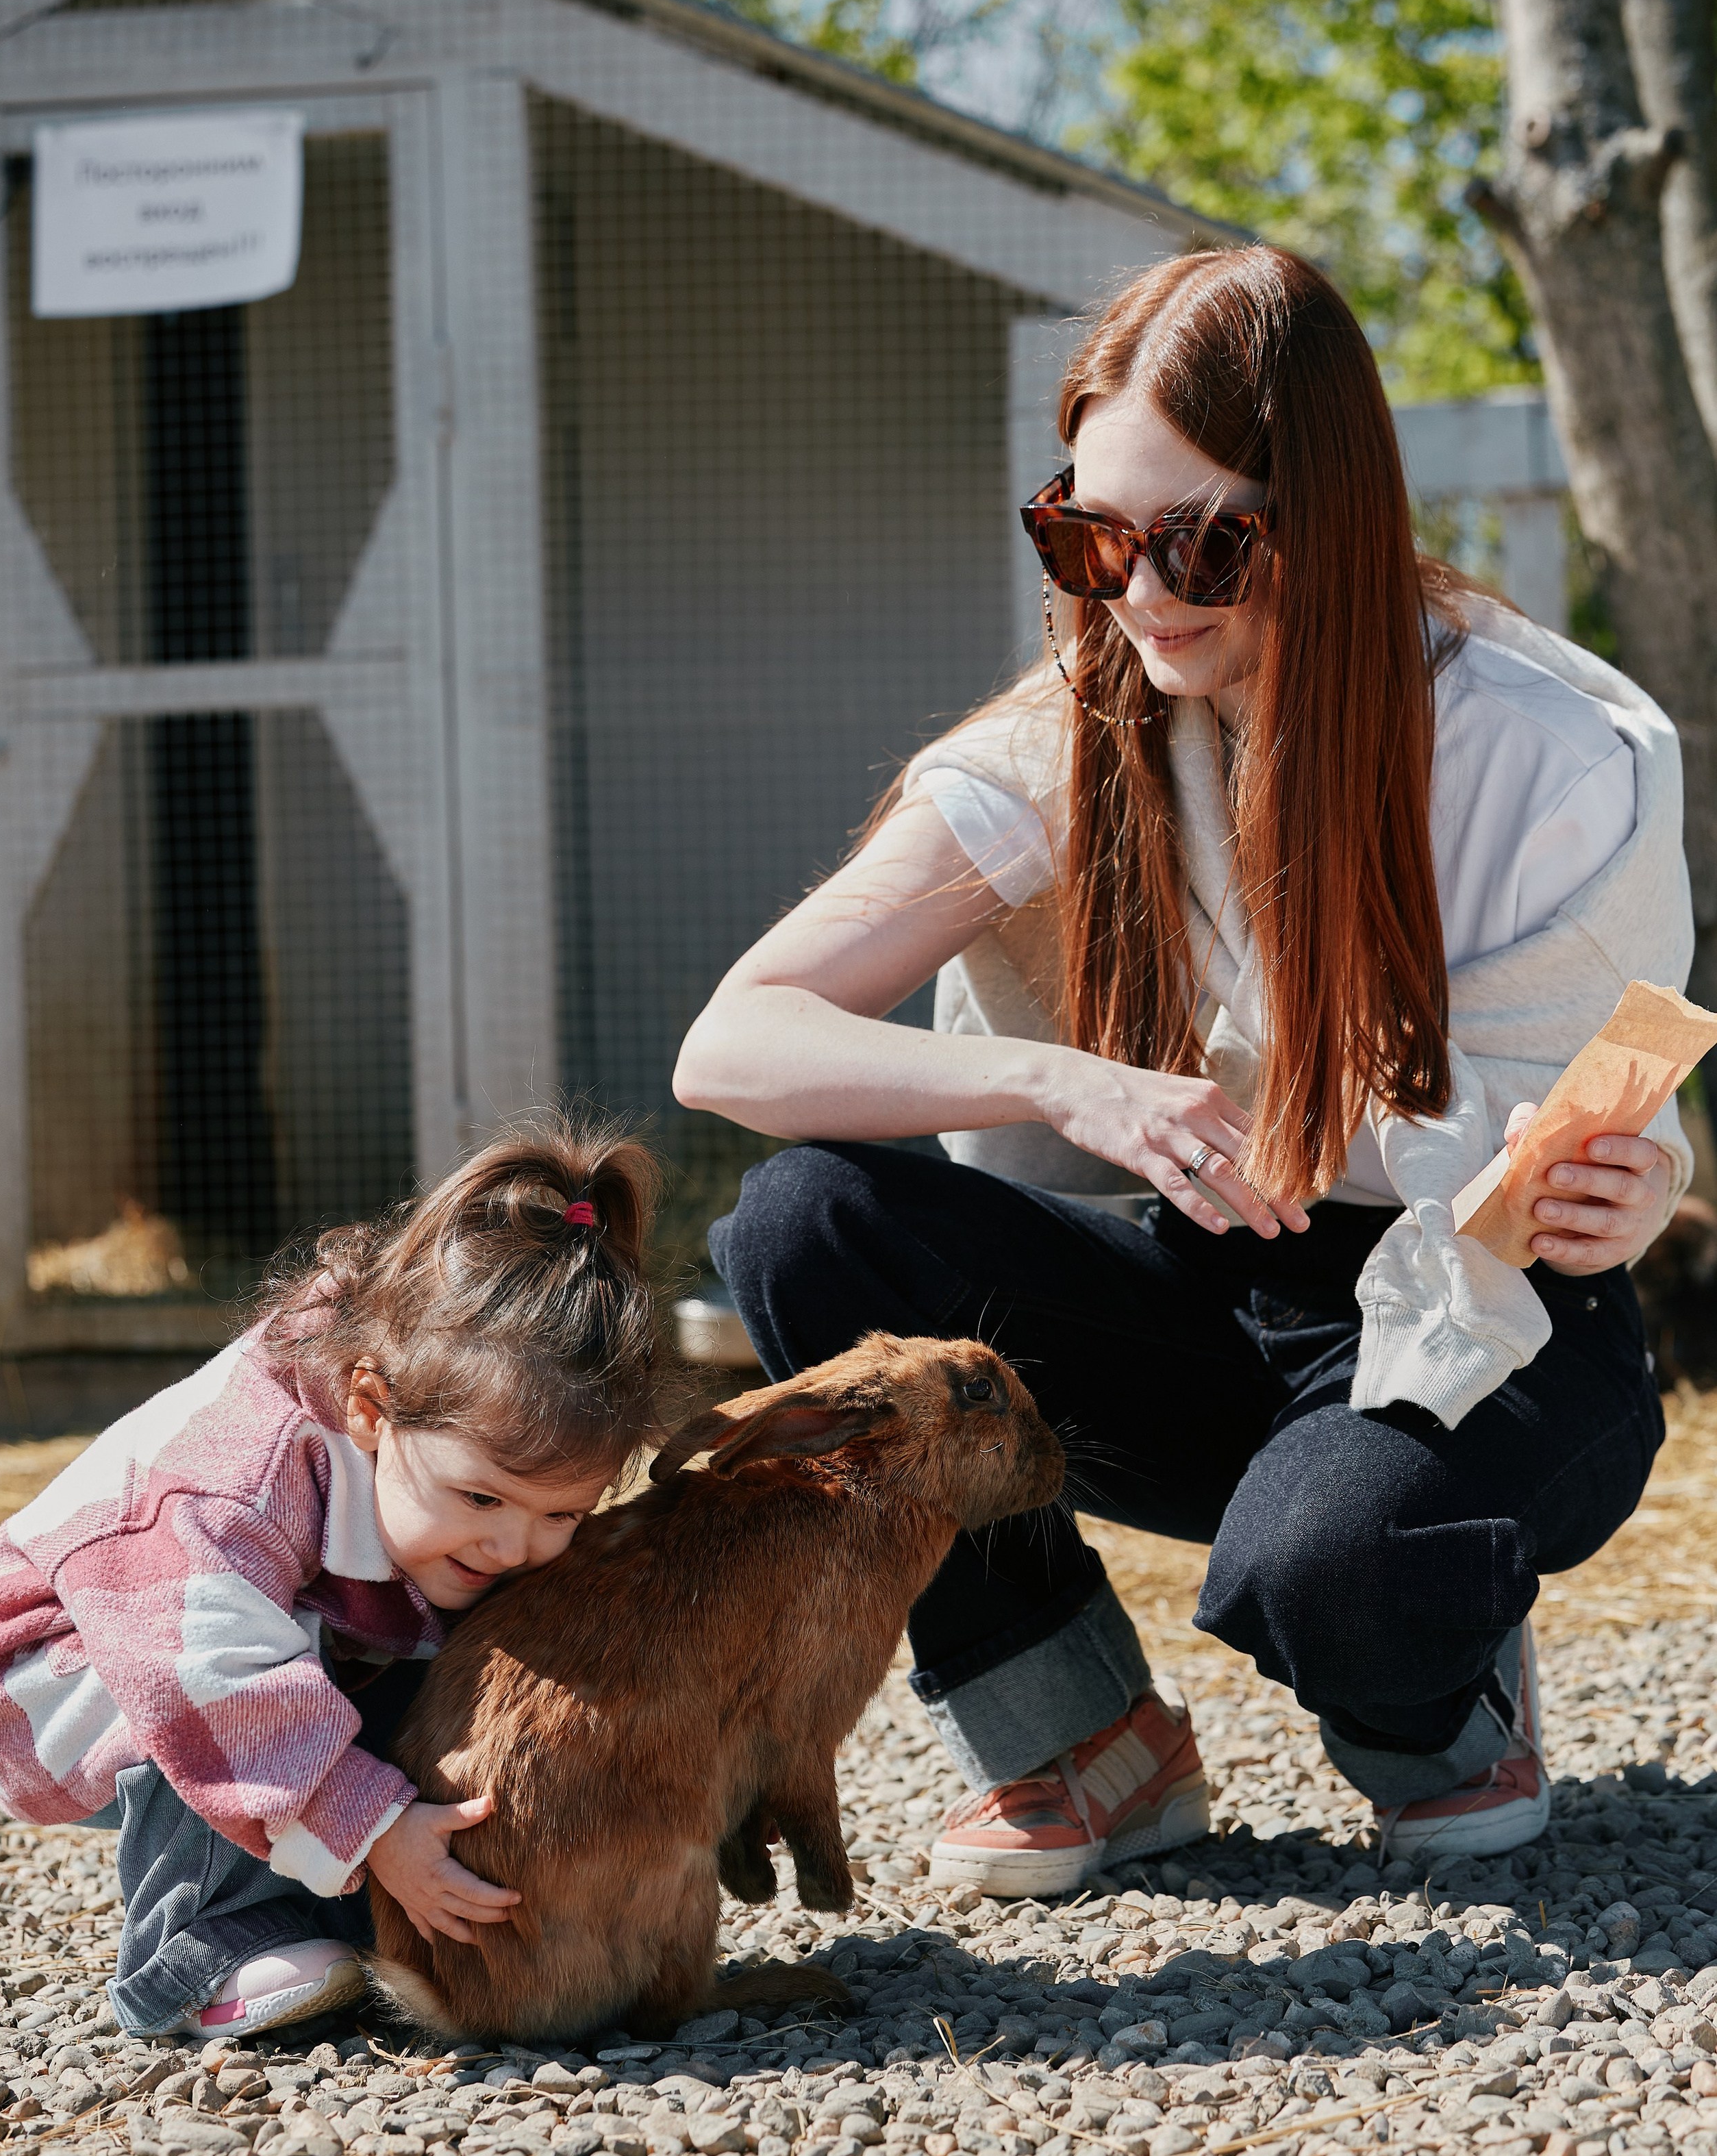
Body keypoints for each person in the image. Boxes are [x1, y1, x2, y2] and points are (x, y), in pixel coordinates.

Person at [675, 245, 1690, 1896]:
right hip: (1201, 1265)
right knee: (804, 1224)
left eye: (1200, 540)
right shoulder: (1071, 729)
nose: (1138, 592)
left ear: (1328, 520)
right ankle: (1077, 1736)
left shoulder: (1548, 751)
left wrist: (1641, 1185)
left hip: (1476, 1300)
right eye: (1084, 536)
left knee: (1332, 1567)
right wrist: (1066, 1086)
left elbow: (1607, 1132)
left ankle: (1431, 1701)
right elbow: (734, 1043)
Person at [0, 1120, 660, 2040]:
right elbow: (207, 1679)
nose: (516, 1544)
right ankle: (199, 1951)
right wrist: (372, 1829)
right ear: (372, 1409)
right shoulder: (229, 1490)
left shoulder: (444, 1472)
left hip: (303, 1626)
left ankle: (336, 1903)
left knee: (407, 1673)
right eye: (482, 1497)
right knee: (225, 1683)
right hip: (74, 1656)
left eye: (561, 1513)